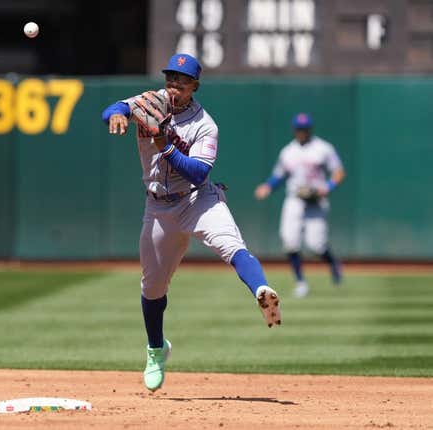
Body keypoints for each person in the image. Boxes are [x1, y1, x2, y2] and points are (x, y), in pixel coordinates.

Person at [101, 53, 281, 392]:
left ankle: (260, 289)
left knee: (231, 245)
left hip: (198, 200)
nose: (173, 86)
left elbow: (199, 173)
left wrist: (164, 147)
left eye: (181, 82)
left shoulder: (205, 124)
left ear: (194, 87)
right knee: (152, 288)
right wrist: (118, 116)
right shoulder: (150, 102)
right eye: (170, 78)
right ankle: (156, 350)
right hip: (158, 209)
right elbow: (113, 108)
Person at [254, 113, 346, 298]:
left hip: (316, 200)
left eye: (305, 128)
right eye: (299, 128)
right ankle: (301, 282)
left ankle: (333, 263)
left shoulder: (323, 148)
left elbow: (338, 172)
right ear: (294, 130)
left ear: (310, 129)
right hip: (295, 199)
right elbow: (280, 175)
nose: (302, 132)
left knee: (316, 246)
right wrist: (268, 186)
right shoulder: (288, 151)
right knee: (290, 241)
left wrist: (328, 187)